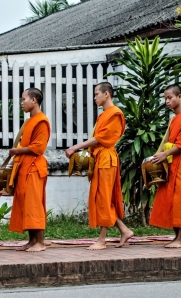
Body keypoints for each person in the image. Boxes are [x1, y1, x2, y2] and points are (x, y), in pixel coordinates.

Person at [65, 82, 133, 250]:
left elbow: (102, 138)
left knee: (104, 198)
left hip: (106, 159)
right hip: (99, 158)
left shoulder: (115, 114)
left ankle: (102, 240)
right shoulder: (103, 115)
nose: (95, 97)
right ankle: (124, 230)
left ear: (106, 94)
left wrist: (76, 146)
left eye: (96, 94)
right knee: (102, 198)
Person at [149, 84, 181, 248]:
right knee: (170, 198)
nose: (167, 101)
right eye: (165, 98)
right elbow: (167, 140)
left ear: (179, 97)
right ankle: (178, 236)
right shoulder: (174, 119)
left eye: (170, 97)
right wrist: (158, 156)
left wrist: (165, 154)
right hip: (171, 162)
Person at [7, 88, 51, 252]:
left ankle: (40, 242)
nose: (21, 103)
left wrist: (17, 151)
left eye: (24, 99)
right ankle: (32, 241)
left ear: (34, 100)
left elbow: (38, 148)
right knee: (26, 204)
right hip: (25, 166)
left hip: (34, 167)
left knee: (34, 205)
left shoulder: (42, 121)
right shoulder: (29, 121)